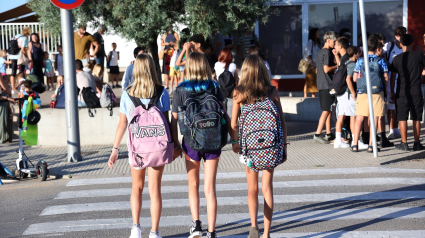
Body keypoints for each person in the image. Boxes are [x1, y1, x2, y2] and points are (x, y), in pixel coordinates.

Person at [108, 53, 173, 238]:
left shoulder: (128, 94)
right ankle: (154, 232)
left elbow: (122, 124)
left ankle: (136, 229)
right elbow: (166, 123)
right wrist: (173, 146)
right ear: (152, 69)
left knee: (136, 187)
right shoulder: (162, 92)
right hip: (158, 148)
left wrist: (114, 150)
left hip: (136, 149)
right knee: (155, 190)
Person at [171, 52, 230, 238]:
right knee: (210, 187)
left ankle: (196, 225)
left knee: (193, 184)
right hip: (214, 141)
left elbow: (174, 121)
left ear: (187, 67)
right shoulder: (214, 86)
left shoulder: (180, 90)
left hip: (191, 142)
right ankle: (212, 232)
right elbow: (223, 112)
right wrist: (232, 137)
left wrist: (175, 144)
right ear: (205, 67)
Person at [230, 55, 287, 238]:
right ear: (263, 70)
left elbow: (233, 124)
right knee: (267, 188)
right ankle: (267, 233)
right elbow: (282, 123)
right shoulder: (272, 91)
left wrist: (236, 142)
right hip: (270, 148)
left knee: (252, 189)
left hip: (250, 150)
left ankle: (254, 226)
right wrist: (283, 147)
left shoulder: (239, 93)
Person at [351, 36, 389, 152]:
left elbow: (354, 78)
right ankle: (371, 145)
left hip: (362, 92)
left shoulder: (360, 60)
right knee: (375, 117)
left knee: (359, 118)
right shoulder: (381, 60)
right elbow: (386, 78)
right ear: (377, 48)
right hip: (377, 92)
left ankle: (355, 144)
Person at [390, 34, 425, 151]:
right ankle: (416, 143)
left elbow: (393, 77)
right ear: (412, 43)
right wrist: (422, 75)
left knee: (402, 118)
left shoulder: (396, 59)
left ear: (401, 44)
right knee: (416, 118)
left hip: (401, 91)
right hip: (416, 90)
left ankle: (404, 143)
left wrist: (392, 92)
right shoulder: (418, 55)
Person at [313, 31, 338, 144]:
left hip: (322, 84)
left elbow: (318, 70)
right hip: (327, 84)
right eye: (334, 41)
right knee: (326, 110)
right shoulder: (326, 53)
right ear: (328, 40)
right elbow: (326, 69)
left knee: (328, 110)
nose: (335, 43)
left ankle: (328, 133)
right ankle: (317, 134)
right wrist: (337, 66)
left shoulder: (320, 52)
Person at [384, 26, 406, 139]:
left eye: (402, 36)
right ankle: (392, 130)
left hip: (403, 80)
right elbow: (382, 57)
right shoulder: (389, 46)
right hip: (391, 80)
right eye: (398, 36)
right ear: (395, 36)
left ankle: (397, 129)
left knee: (400, 106)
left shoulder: (406, 48)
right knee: (391, 105)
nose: (399, 38)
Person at [333, 37, 352, 148]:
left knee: (341, 115)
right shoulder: (346, 59)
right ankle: (340, 140)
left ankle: (339, 140)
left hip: (341, 91)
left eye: (336, 45)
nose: (334, 47)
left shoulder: (344, 59)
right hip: (344, 91)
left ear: (340, 46)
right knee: (344, 115)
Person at [214, 48, 239, 128]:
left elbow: (216, 77)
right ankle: (231, 136)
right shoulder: (233, 66)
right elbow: (236, 79)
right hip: (231, 93)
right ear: (230, 56)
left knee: (222, 114)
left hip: (220, 93)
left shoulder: (216, 64)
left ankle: (223, 134)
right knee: (231, 115)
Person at [8, 27, 31, 94]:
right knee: (21, 72)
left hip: (12, 55)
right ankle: (21, 88)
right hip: (20, 56)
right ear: (27, 34)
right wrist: (26, 56)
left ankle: (13, 88)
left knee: (13, 71)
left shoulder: (16, 36)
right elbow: (23, 49)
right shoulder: (24, 38)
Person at [303, 28, 321, 98]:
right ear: (314, 33)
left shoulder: (317, 43)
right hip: (311, 65)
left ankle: (313, 95)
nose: (319, 33)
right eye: (318, 32)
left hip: (315, 65)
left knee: (313, 80)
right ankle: (305, 96)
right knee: (309, 80)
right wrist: (311, 62)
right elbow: (307, 52)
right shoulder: (311, 41)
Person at [0, 75, 15, 143]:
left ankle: (5, 138)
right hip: (2, 105)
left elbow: (7, 90)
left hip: (5, 105)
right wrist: (7, 97)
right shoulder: (5, 88)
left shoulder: (6, 87)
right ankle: (3, 138)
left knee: (4, 123)